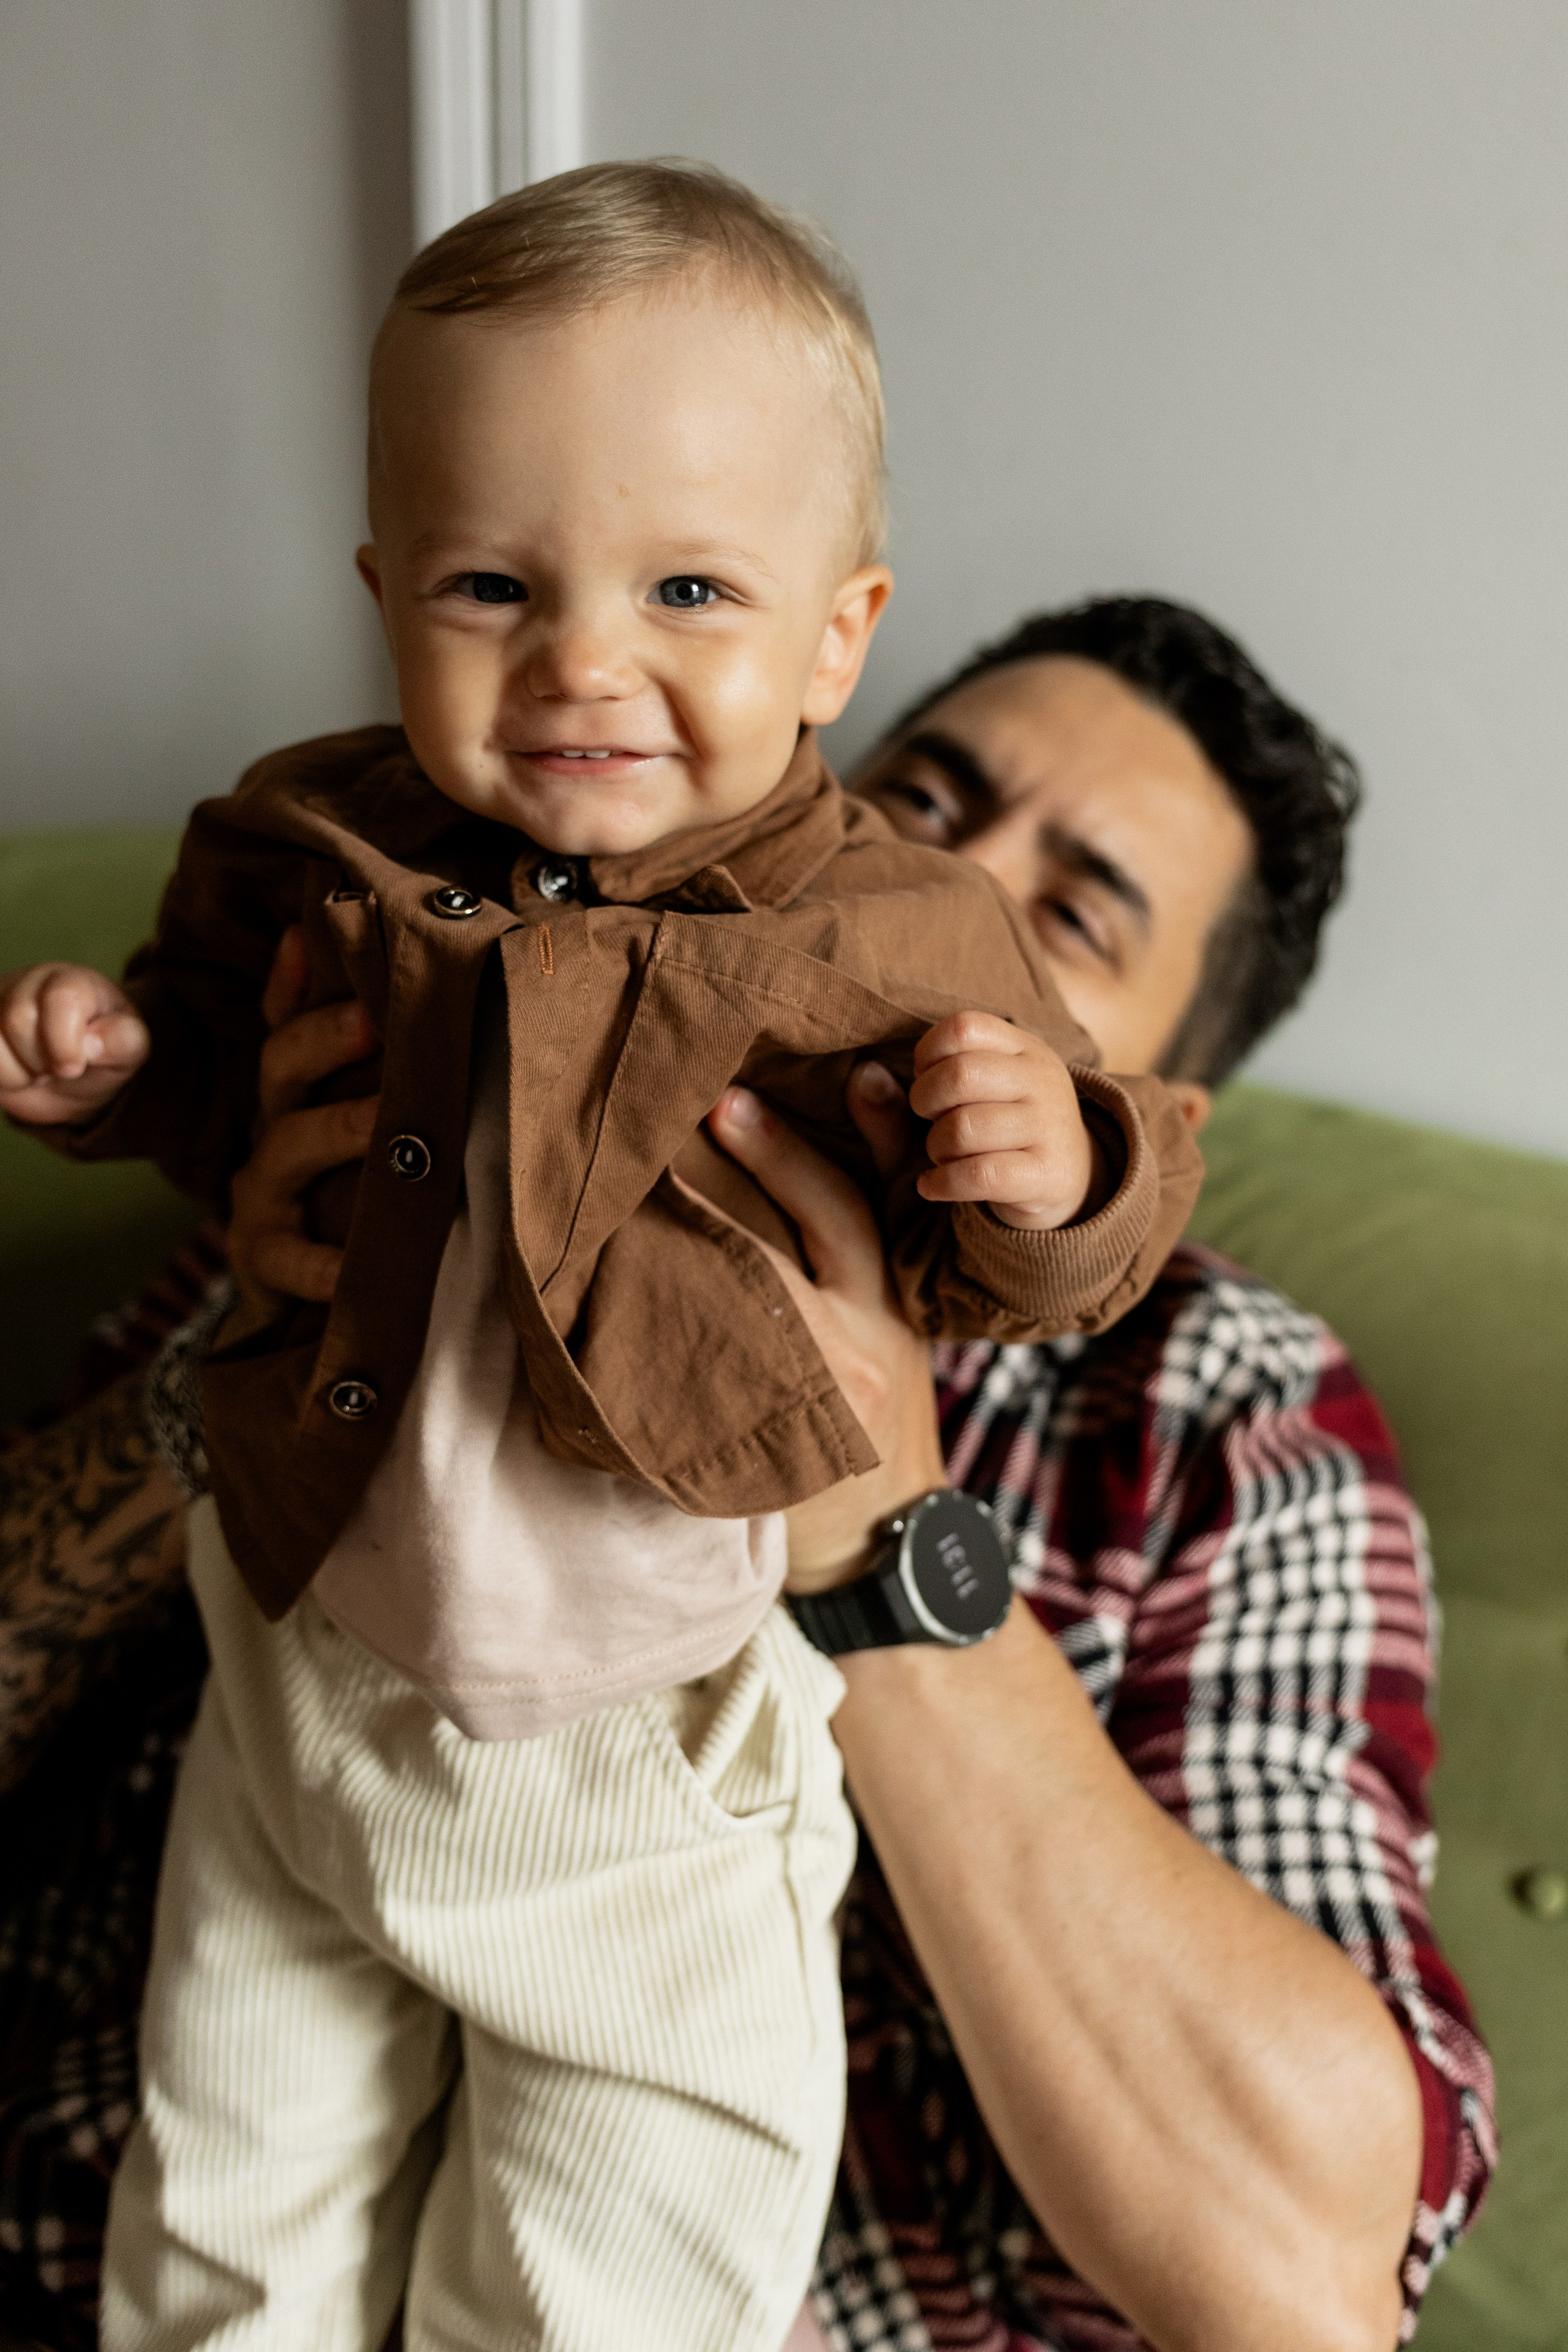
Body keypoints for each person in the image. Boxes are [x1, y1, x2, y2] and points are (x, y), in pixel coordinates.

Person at [0, 167, 1204, 2352]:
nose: (581, 660)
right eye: (490, 581)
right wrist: (128, 1065)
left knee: (610, 2277)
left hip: (637, 1754)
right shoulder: (324, 831)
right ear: (382, 594)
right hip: (297, 1660)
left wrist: (1069, 1159)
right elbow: (211, 1060)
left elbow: (1067, 1236)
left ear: (835, 632)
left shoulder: (890, 938)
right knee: (221, 2230)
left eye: (684, 586)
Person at [0, 596, 1495, 2352]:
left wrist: (869, 1533)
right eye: (924, 807)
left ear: (1151, 1109)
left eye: (1076, 913)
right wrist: (240, 1374)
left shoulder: (1219, 1408)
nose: (960, 907)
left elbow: (1302, 2285)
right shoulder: (439, 1107)